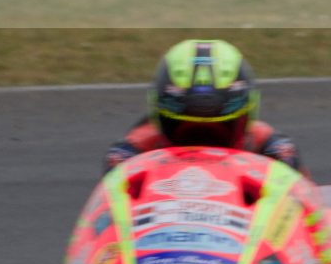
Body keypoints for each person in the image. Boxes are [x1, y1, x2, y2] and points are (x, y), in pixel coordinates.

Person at [104, 39, 303, 172]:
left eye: (220, 130)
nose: (202, 149)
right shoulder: (129, 152)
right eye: (186, 132)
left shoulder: (274, 149)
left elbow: (310, 217)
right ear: (159, 117)